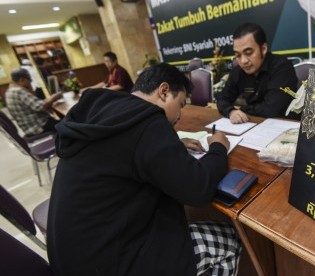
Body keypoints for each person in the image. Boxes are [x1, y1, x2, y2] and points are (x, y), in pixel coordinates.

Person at [47, 63, 242, 276]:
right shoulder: (148, 122)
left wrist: (171, 145)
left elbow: (126, 151)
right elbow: (198, 188)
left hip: (75, 258)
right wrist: (218, 147)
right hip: (114, 264)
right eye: (181, 104)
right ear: (164, 91)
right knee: (229, 240)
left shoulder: (106, 111)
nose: (179, 116)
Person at [215, 22, 297, 123]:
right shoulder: (238, 72)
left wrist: (242, 109)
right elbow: (222, 99)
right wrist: (231, 111)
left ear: (263, 49)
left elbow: (272, 109)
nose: (243, 61)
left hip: (286, 126)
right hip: (254, 125)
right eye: (238, 55)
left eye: (248, 53)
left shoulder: (282, 67)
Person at [5, 68, 62, 136]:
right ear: (22, 80)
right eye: (29, 79)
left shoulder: (9, 91)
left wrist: (30, 89)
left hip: (30, 127)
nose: (31, 81)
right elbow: (41, 106)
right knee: (70, 122)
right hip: (38, 127)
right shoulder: (18, 91)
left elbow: (35, 104)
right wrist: (54, 97)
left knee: (64, 119)